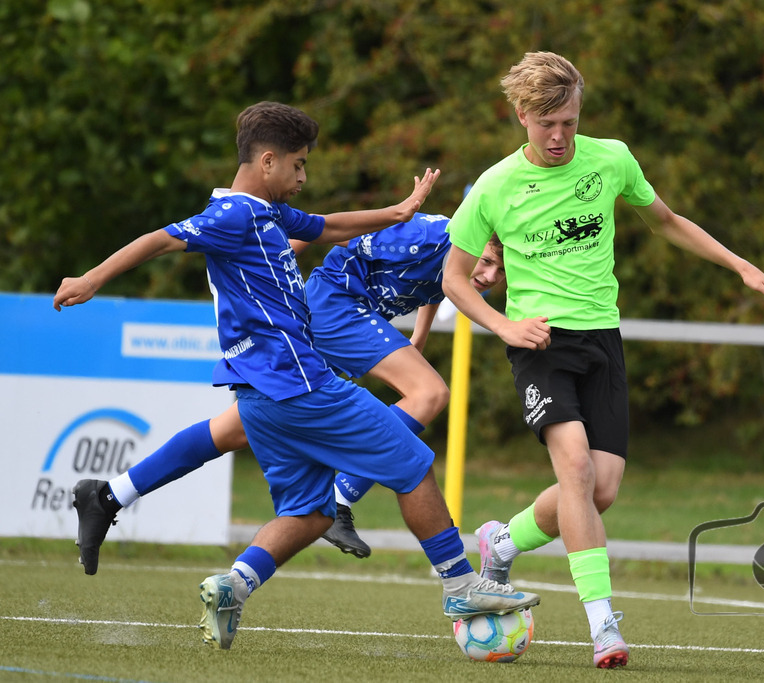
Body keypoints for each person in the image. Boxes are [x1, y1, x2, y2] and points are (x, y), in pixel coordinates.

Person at [53, 101, 538, 650]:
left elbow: (330, 226)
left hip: (262, 394)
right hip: (299, 382)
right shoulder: (233, 216)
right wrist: (91, 279)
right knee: (414, 464)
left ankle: (231, 586)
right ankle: (460, 587)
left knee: (309, 513)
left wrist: (397, 211)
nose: (304, 176)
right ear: (267, 161)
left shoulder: (269, 214)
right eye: (299, 164)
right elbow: (161, 239)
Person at [441, 52, 764, 669]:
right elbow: (454, 279)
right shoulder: (495, 186)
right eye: (547, 124)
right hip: (540, 345)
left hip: (602, 341)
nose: (559, 136)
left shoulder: (612, 159)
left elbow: (666, 222)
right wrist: (505, 326)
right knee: (576, 470)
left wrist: (743, 268)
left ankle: (502, 541)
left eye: (570, 123)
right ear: (522, 115)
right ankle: (603, 625)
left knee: (598, 491)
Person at [70, 220, 505, 570]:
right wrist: (279, 266)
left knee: (234, 430)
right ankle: (341, 497)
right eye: (486, 261)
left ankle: (110, 494)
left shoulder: (455, 253)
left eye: (500, 272)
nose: (488, 277)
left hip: (324, 321)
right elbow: (336, 231)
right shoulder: (424, 234)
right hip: (335, 307)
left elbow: (441, 280)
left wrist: (420, 335)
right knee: (429, 393)